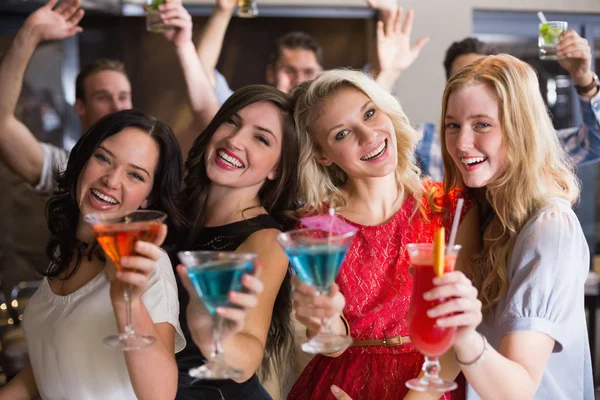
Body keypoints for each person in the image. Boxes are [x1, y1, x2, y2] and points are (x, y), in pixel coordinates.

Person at [286, 69, 479, 400]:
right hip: (342, 387)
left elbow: (459, 327)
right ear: (323, 155)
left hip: (430, 384)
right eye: (342, 134)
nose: (368, 135)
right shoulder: (316, 227)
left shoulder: (449, 206)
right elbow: (334, 343)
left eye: (370, 113)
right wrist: (324, 320)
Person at [425, 54, 593, 399]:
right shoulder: (480, 213)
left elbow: (516, 391)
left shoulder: (550, 228)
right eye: (452, 125)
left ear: (521, 128)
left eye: (482, 124)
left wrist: (464, 333)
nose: (460, 144)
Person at [0, 109, 188, 399]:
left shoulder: (146, 265)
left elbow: (160, 394)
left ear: (148, 198)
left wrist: (127, 301)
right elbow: (50, 363)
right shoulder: (66, 252)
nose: (111, 180)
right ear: (83, 159)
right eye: (103, 158)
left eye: (135, 175)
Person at [172, 84, 300, 400]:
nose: (235, 139)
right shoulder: (172, 212)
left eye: (261, 138)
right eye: (232, 121)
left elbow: (246, 359)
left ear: (277, 169)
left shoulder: (266, 241)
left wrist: (214, 334)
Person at [416, 35, 600, 180]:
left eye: (483, 79)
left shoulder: (531, 144)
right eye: (461, 79)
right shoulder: (424, 139)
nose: (462, 144)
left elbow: (593, 143)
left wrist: (584, 78)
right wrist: (388, 76)